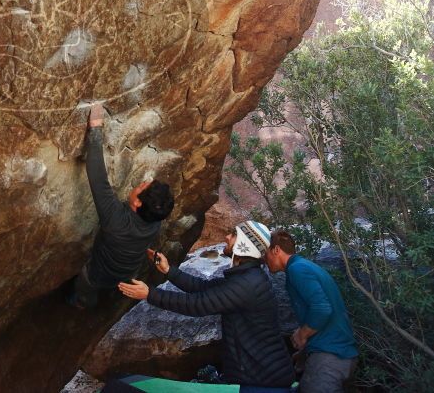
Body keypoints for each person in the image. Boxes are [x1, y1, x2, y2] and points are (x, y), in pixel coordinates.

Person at [119, 221, 296, 389]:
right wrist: (168, 270)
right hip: (261, 373)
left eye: (234, 234)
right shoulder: (247, 277)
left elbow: (197, 305)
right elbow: (202, 287)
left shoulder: (246, 284)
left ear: (245, 244)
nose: (227, 237)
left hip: (263, 379)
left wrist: (150, 294)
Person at [67, 103, 174, 309]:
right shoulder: (155, 220)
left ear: (136, 202)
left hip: (97, 273)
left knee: (85, 287)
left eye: (142, 186)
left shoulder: (116, 220)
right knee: (111, 285)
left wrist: (96, 127)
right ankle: (103, 300)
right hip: (127, 272)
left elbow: (97, 176)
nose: (141, 182)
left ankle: (80, 303)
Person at [265, 230, 358, 393]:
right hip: (338, 356)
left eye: (264, 254)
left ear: (276, 250)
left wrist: (302, 334)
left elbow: (322, 309)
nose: (263, 259)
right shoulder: (302, 266)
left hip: (329, 359)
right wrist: (305, 350)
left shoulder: (297, 269)